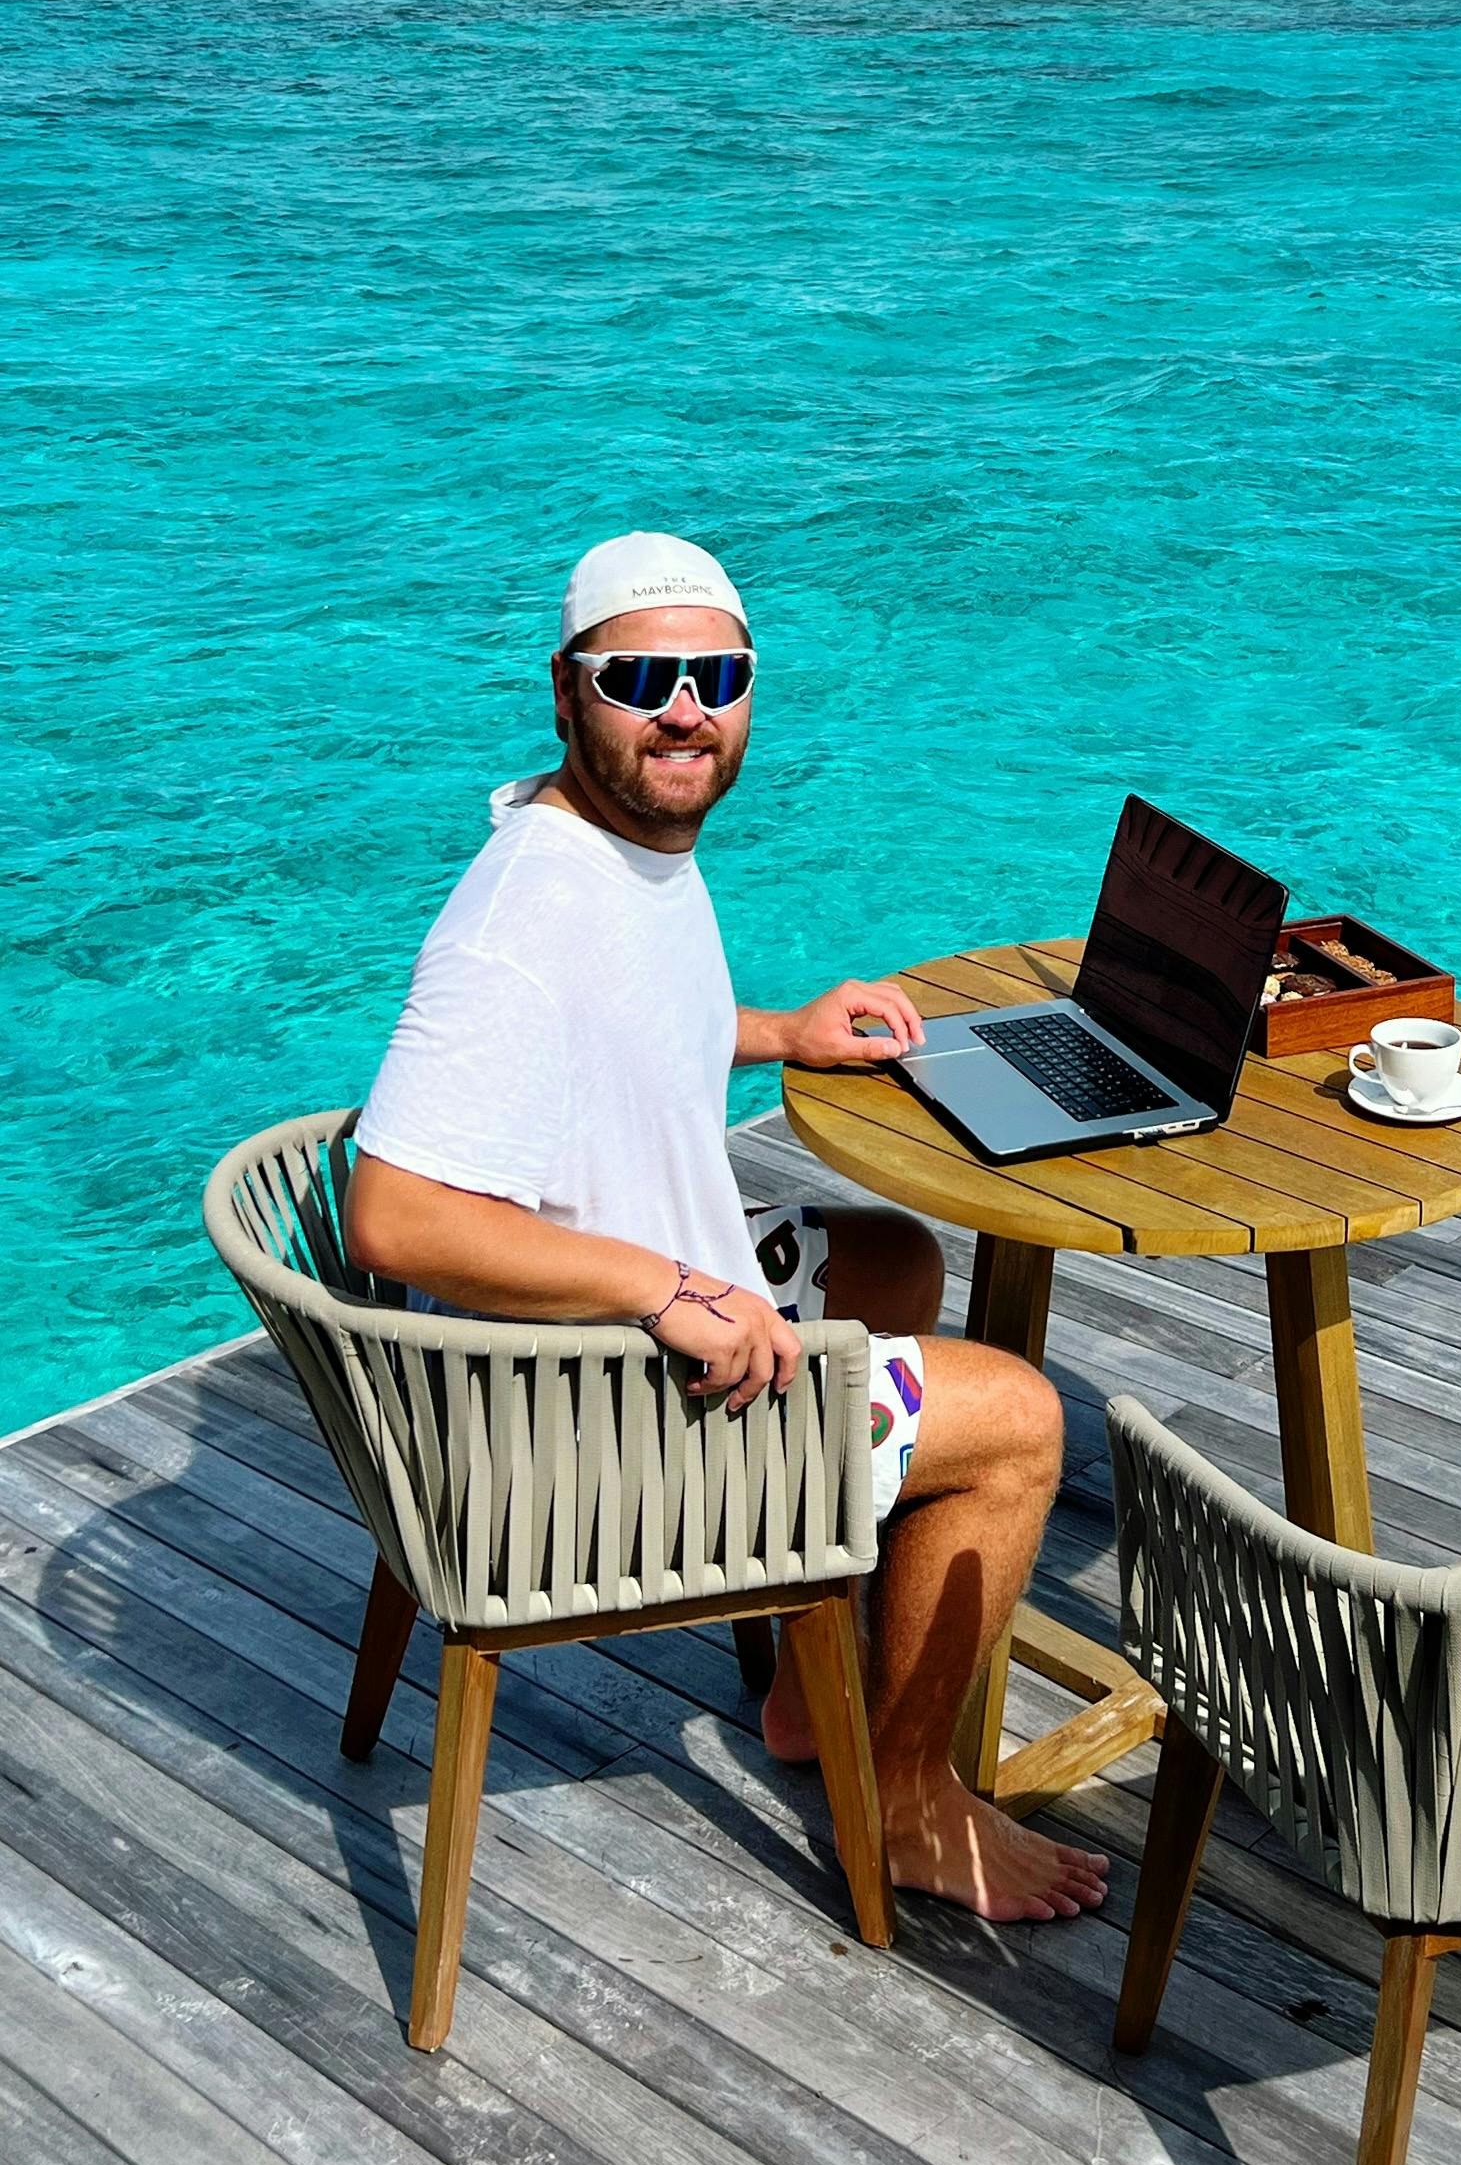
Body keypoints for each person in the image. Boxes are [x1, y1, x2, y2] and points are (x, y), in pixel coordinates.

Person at [346, 531, 1108, 1926]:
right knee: (1018, 1420)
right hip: (588, 1418)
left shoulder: (619, 844)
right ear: (569, 693)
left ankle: (802, 1690)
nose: (684, 707)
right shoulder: (523, 920)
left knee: (894, 1259)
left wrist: (781, 1033)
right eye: (642, 676)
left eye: (717, 673)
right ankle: (913, 1800)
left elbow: (640, 1031)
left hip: (611, 1335)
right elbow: (389, 1211)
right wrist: (661, 1283)